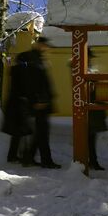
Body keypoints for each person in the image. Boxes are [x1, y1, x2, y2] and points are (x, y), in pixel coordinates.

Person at [19, 36, 61, 169]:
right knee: (42, 132)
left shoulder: (38, 58)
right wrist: (38, 100)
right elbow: (32, 82)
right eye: (44, 45)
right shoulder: (32, 59)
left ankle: (29, 158)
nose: (46, 48)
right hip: (39, 102)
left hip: (43, 101)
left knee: (40, 133)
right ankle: (45, 160)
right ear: (38, 44)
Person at [2, 52, 33, 163]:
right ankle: (22, 155)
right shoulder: (23, 70)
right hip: (20, 104)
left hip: (13, 103)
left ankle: (13, 155)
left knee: (17, 133)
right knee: (22, 131)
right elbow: (26, 87)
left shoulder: (14, 69)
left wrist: (9, 57)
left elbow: (9, 66)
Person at [88, 48, 108, 171]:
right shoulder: (82, 68)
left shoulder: (88, 68)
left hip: (92, 106)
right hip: (89, 107)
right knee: (89, 137)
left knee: (91, 137)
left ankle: (92, 160)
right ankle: (91, 161)